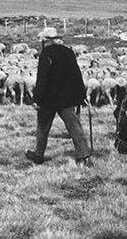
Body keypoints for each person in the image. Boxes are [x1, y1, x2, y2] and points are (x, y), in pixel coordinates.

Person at [25, 27, 92, 167]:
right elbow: (76, 74)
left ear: (45, 41)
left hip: (48, 100)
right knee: (74, 127)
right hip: (67, 99)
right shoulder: (68, 52)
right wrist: (81, 95)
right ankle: (84, 156)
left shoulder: (46, 54)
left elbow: (42, 78)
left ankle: (38, 155)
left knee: (42, 128)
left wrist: (37, 99)